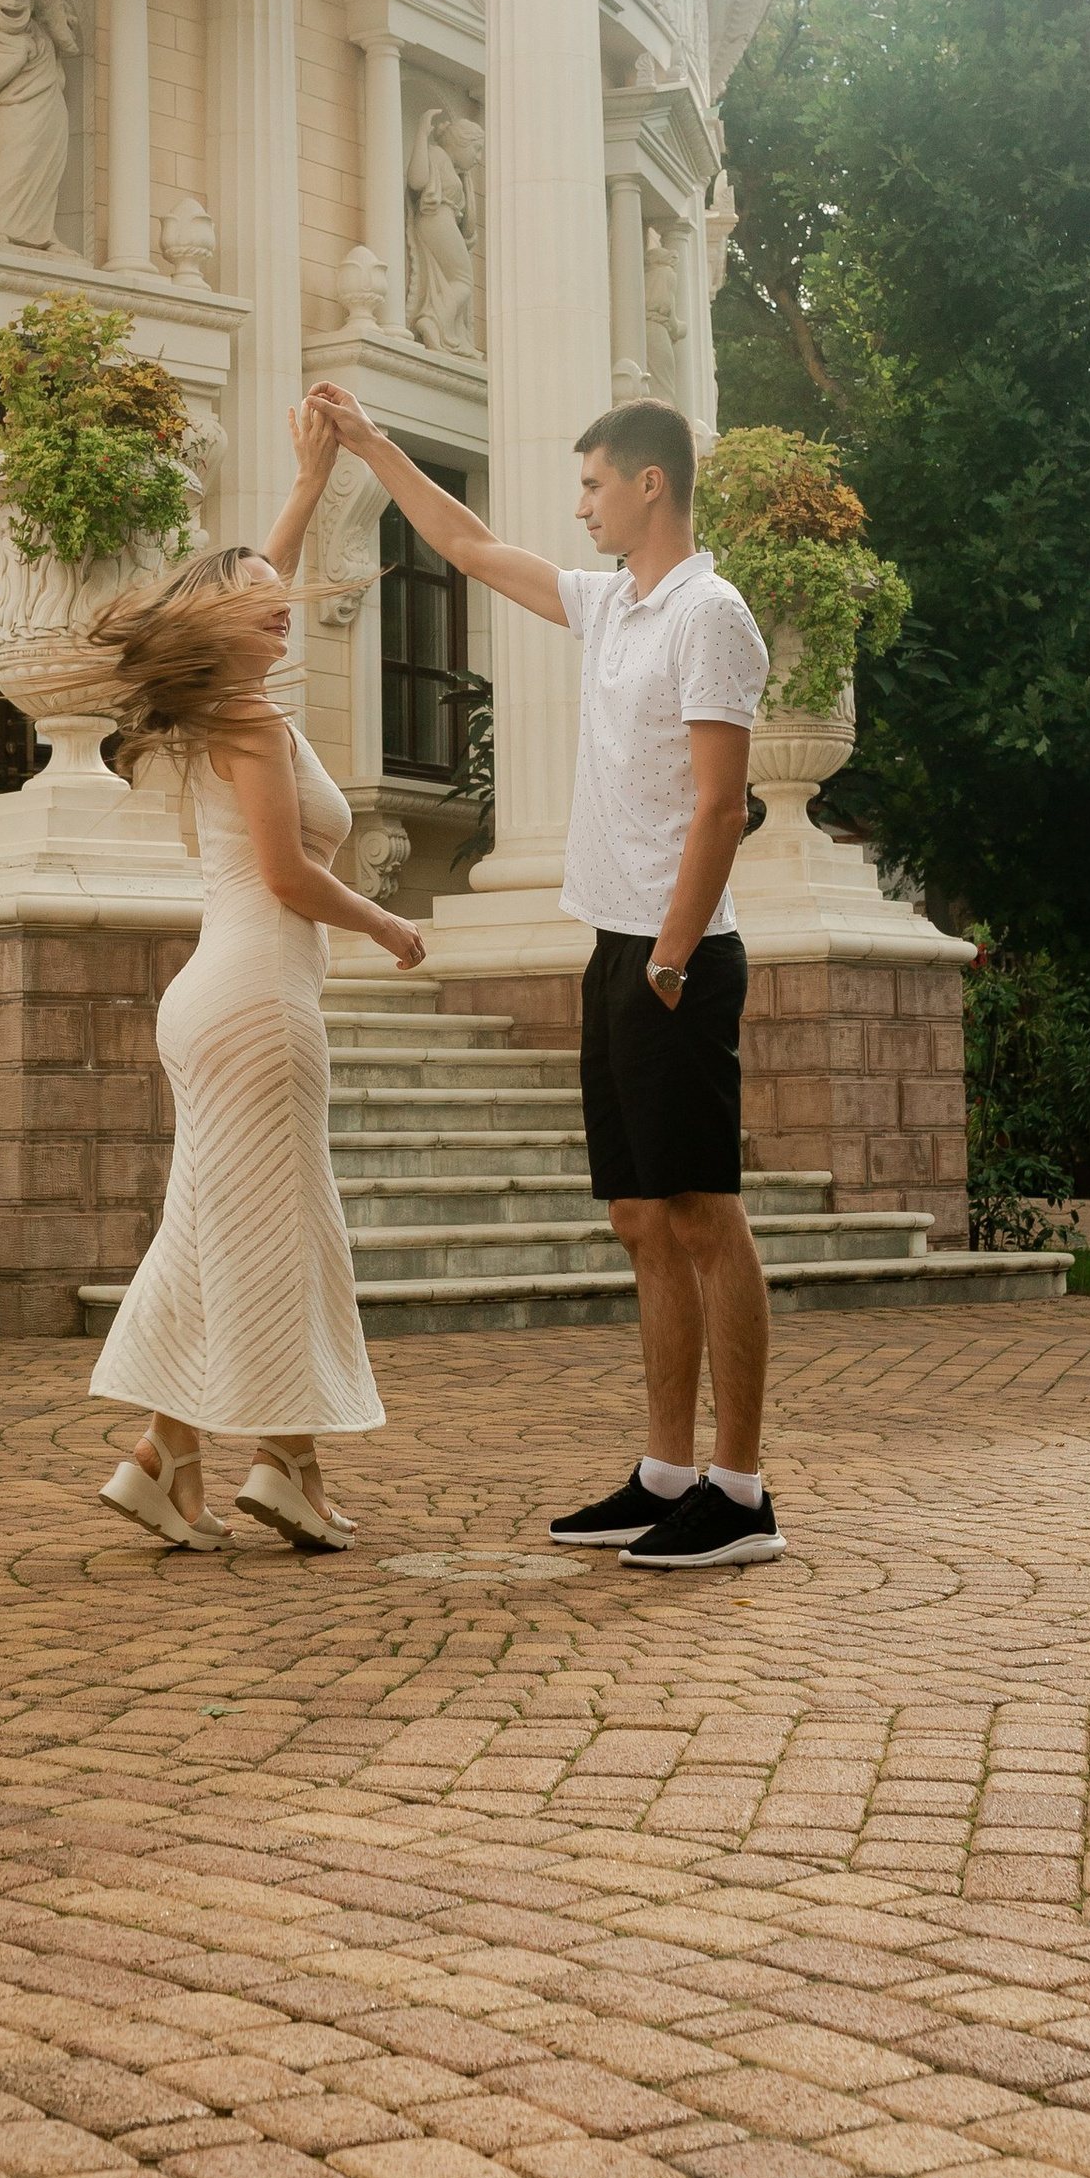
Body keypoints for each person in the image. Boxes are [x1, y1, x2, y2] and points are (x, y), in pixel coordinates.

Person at [309, 382, 782, 1568]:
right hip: (615, 948)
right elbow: (469, 547)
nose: (579, 506)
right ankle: (666, 1473)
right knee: (637, 1216)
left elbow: (721, 806)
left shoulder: (709, 615)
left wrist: (670, 955)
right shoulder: (615, 604)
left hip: (677, 957)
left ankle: (739, 1492)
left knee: (703, 1213)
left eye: (591, 484)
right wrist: (371, 442)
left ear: (648, 485)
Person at [83, 403, 425, 1553]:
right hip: (256, 1002)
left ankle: (166, 1457)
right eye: (257, 598)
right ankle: (285, 1464)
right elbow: (287, 874)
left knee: (214, 1228)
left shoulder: (221, 705)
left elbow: (255, 580)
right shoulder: (252, 723)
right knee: (277, 1232)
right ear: (224, 626)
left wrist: (310, 478)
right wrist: (387, 923)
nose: (281, 599)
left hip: (221, 998)